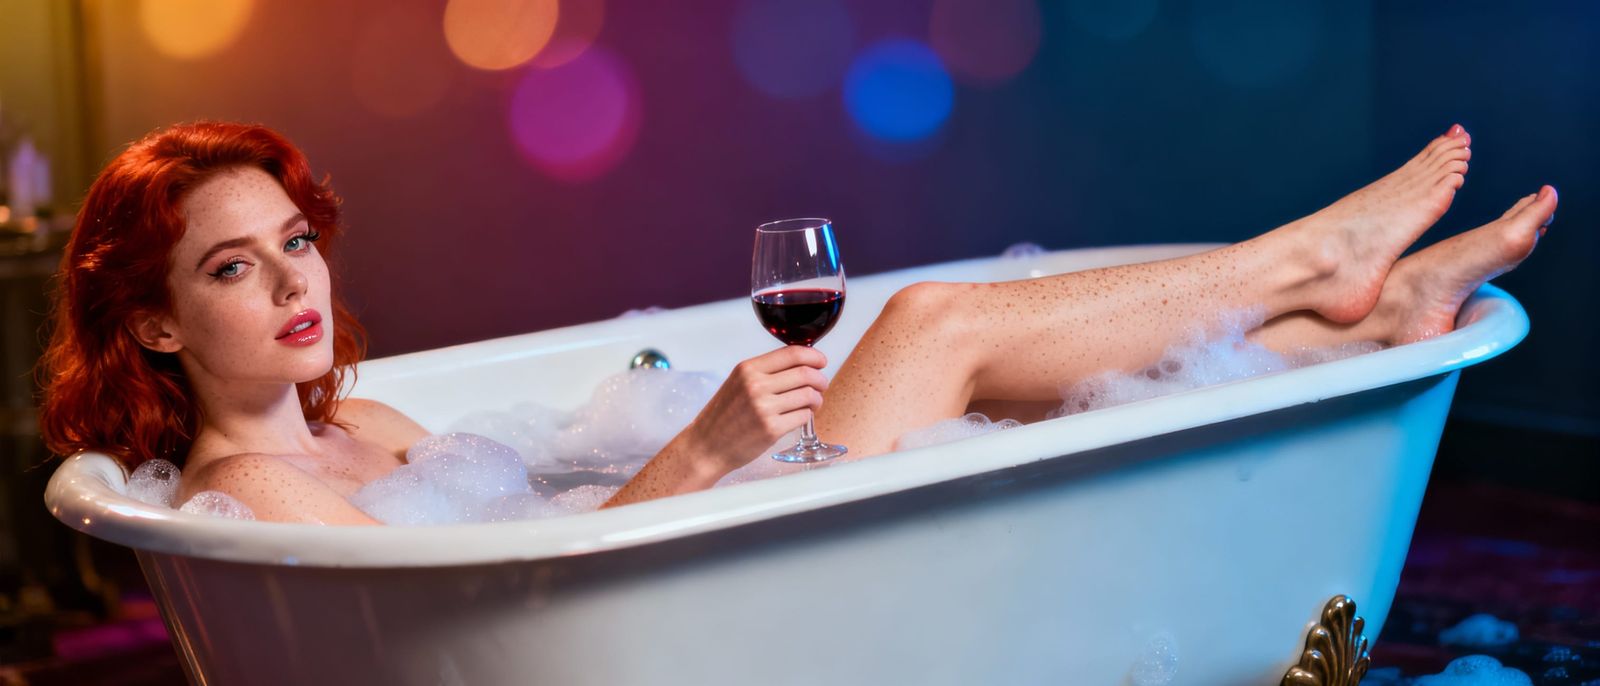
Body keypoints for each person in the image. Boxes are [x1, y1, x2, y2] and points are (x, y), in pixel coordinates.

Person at [36, 122, 1555, 524]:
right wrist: (705, 447)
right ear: (154, 326)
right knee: (939, 324)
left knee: (1050, 403)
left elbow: (538, 512)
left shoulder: (356, 423)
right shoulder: (255, 493)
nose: (297, 284)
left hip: (735, 512)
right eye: (233, 269)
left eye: (295, 242)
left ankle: (1372, 324)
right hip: (717, 520)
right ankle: (1315, 256)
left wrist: (689, 442)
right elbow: (528, 585)